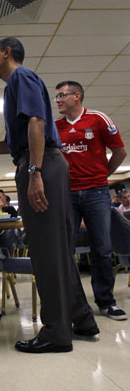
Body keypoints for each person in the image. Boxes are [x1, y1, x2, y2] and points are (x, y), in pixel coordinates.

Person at [0, 37, 98, 353]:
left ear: (7, 52)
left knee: (45, 252)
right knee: (55, 250)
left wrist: (35, 173)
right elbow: (13, 141)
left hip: (41, 164)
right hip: (37, 161)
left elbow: (37, 123)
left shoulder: (21, 76)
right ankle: (81, 320)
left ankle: (56, 333)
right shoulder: (15, 86)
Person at [55, 80, 127, 321]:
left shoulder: (98, 119)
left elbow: (120, 151)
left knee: (103, 249)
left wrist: (102, 175)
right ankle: (71, 302)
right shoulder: (55, 127)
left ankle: (106, 302)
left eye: (62, 95)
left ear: (77, 96)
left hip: (97, 193)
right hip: (68, 194)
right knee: (66, 249)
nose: (58, 100)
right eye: (56, 97)